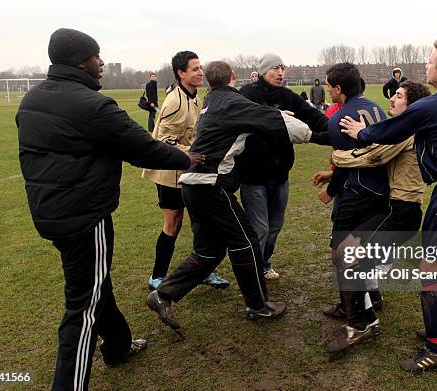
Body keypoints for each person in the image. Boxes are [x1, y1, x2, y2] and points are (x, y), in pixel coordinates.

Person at [16, 28, 201, 391]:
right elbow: (142, 148)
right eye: (97, 56)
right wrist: (186, 158)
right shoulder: (93, 105)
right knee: (82, 306)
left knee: (96, 280)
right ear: (80, 61)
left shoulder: (32, 99)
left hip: (49, 213)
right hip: (85, 217)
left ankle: (117, 345)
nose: (102, 62)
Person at [340, 39, 437, 371]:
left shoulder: (430, 106)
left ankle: (436, 349)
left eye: (430, 62)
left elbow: (387, 132)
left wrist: (363, 131)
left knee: (430, 269)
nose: (426, 65)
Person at [146, 61, 316, 329]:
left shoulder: (210, 102)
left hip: (192, 184)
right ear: (233, 77)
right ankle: (258, 306)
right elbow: (281, 124)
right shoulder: (230, 102)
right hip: (210, 185)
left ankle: (163, 294)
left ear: (209, 82)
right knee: (246, 241)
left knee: (209, 252)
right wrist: (320, 135)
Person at [324, 80, 431, 352]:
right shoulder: (403, 129)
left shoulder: (407, 132)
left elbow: (372, 156)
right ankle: (364, 312)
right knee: (349, 254)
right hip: (394, 210)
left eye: (398, 96)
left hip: (402, 213)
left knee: (349, 255)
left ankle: (363, 323)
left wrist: (339, 156)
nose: (391, 100)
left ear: (412, 104)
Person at [309, 63, 388, 353]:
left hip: (357, 194)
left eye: (330, 86)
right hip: (382, 192)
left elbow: (343, 163)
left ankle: (360, 322)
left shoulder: (340, 118)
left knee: (341, 254)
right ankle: (364, 302)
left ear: (338, 88)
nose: (328, 90)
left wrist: (330, 191)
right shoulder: (377, 108)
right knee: (359, 252)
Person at [142, 51, 230, 291]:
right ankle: (157, 276)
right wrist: (190, 152)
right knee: (173, 223)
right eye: (194, 69)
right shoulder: (174, 100)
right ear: (181, 73)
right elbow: (163, 140)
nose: (200, 72)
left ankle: (205, 271)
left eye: (201, 67)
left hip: (190, 171)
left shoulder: (195, 97)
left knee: (201, 222)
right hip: (169, 173)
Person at [237, 53, 329, 279]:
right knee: (260, 228)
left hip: (280, 174)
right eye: (275, 68)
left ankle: (264, 262)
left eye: (282, 68)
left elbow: (311, 116)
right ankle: (253, 274)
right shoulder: (247, 95)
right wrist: (276, 116)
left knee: (275, 226)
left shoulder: (288, 96)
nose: (280, 73)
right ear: (262, 71)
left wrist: (334, 130)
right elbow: (246, 120)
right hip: (253, 175)